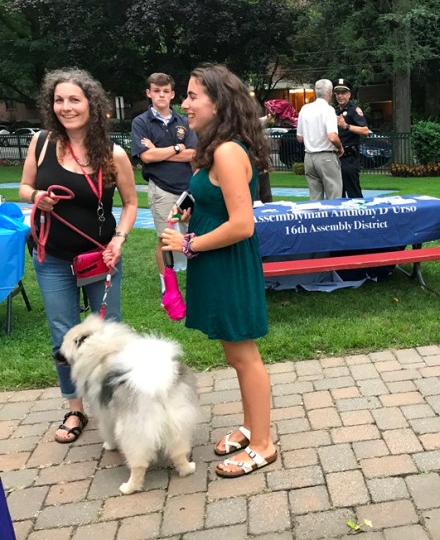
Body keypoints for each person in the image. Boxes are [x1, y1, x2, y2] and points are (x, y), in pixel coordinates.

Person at [161, 64, 277, 477]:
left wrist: (188, 242)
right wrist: (189, 206)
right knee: (233, 352)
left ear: (218, 102)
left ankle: (263, 444)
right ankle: (251, 426)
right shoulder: (215, 147)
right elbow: (213, 199)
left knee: (245, 356)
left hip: (228, 263)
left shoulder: (228, 151)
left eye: (193, 96)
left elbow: (243, 224)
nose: (184, 103)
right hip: (213, 263)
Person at [18, 68, 138, 443]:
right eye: (59, 100)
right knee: (62, 335)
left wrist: (119, 239)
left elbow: (132, 203)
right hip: (52, 257)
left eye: (74, 99)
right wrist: (37, 197)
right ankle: (76, 409)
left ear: (91, 104)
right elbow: (24, 186)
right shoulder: (40, 142)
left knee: (108, 336)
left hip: (100, 258)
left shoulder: (112, 153)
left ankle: (116, 407)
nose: (66, 107)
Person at [131, 73, 197, 291]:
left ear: (172, 94)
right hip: (161, 189)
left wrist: (159, 151)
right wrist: (178, 148)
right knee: (165, 239)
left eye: (165, 91)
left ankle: (198, 281)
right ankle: (167, 286)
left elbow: (193, 154)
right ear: (148, 93)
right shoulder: (141, 122)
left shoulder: (184, 121)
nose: (161, 95)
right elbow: (146, 157)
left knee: (194, 234)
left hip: (187, 189)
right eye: (156, 91)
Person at [297, 79, 344, 200]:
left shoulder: (304, 109)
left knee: (315, 197)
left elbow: (300, 138)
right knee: (334, 195)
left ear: (315, 91)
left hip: (309, 157)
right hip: (326, 156)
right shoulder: (328, 110)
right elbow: (332, 136)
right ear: (331, 93)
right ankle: (333, 219)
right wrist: (340, 147)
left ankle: (316, 219)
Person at [333, 78, 369, 198]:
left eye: (343, 93)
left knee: (354, 193)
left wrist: (346, 126)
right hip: (336, 157)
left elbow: (365, 130)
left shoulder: (354, 110)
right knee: (338, 193)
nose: (340, 96)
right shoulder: (335, 110)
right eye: (337, 93)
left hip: (349, 157)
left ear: (349, 94)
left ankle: (360, 215)